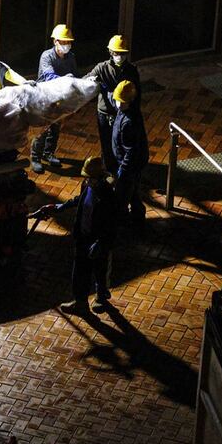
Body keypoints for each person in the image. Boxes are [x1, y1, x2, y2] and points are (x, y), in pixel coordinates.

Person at [32, 156, 115, 314]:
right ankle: (80, 302)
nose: (87, 180)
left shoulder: (107, 194)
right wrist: (60, 207)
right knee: (79, 271)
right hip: (83, 235)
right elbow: (80, 200)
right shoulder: (87, 184)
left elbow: (111, 222)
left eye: (90, 178)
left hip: (97, 238)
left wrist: (100, 242)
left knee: (100, 269)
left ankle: (101, 297)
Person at [85, 35, 141, 174]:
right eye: (117, 53)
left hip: (122, 113)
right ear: (111, 52)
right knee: (106, 144)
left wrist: (133, 113)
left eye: (122, 53)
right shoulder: (102, 68)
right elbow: (85, 80)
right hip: (105, 112)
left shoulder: (131, 70)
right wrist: (90, 80)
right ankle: (108, 169)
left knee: (120, 143)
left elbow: (137, 93)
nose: (120, 56)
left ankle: (119, 169)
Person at [31, 24, 78, 174]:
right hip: (44, 96)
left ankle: (48, 153)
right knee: (42, 129)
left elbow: (74, 74)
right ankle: (35, 158)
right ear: (55, 42)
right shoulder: (47, 56)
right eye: (63, 42)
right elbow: (48, 75)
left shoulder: (71, 57)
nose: (66, 45)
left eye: (68, 42)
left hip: (60, 98)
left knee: (55, 128)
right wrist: (65, 79)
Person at [111, 80, 148, 225]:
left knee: (123, 194)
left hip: (130, 166)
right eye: (117, 100)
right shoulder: (125, 110)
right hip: (132, 163)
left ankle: (126, 221)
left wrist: (123, 169)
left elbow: (131, 151)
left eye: (122, 101)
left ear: (130, 101)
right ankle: (137, 216)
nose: (118, 104)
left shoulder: (129, 122)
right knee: (133, 192)